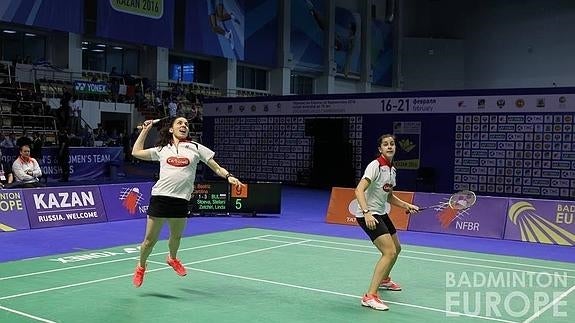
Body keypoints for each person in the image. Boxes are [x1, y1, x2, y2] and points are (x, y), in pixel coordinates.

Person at [131, 116, 244, 288]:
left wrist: (228, 176)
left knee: (176, 236)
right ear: (171, 129)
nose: (184, 125)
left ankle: (172, 258)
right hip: (161, 197)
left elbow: (216, 167)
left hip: (181, 199)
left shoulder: (196, 148)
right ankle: (141, 266)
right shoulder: (162, 149)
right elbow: (136, 152)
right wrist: (145, 129)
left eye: (186, 124)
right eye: (180, 123)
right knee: (149, 241)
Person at [354, 134, 419, 311]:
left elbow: (388, 195)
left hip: (381, 212)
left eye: (392, 144)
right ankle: (370, 296)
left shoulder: (392, 169)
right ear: (380, 149)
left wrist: (406, 205)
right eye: (385, 144)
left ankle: (384, 279)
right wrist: (367, 213)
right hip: (369, 214)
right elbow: (359, 190)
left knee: (397, 249)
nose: (389, 146)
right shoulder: (375, 166)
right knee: (388, 252)